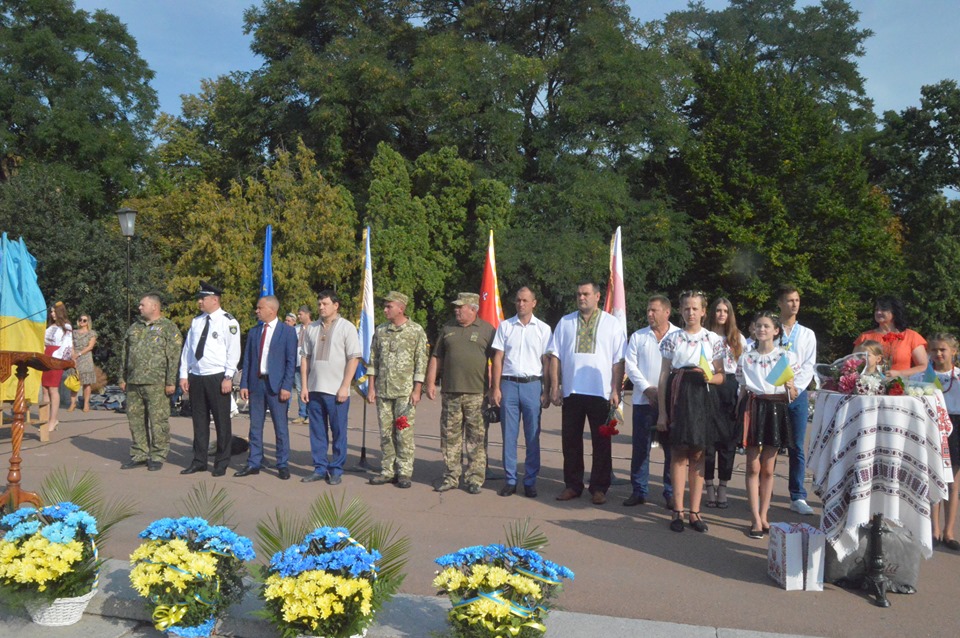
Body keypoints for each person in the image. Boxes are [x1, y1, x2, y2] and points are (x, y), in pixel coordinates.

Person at [548, 281, 626, 506]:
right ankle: (573, 485)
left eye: (586, 294)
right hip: (572, 391)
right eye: (578, 294)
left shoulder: (611, 324)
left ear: (597, 296)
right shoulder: (566, 322)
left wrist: (616, 389)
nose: (581, 298)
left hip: (601, 392)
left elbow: (618, 360)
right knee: (570, 440)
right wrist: (555, 386)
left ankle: (599, 488)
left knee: (601, 442)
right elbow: (555, 356)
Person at [656, 290, 724, 533]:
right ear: (680, 311)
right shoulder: (673, 339)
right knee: (678, 453)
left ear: (704, 311)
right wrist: (662, 412)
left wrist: (710, 377)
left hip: (703, 396)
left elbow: (721, 375)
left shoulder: (713, 339)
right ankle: (678, 510)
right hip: (678, 394)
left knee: (698, 453)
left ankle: (695, 511)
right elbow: (663, 375)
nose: (691, 312)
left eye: (695, 308)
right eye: (686, 308)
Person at [426, 292, 495, 494]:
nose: (456, 310)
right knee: (450, 438)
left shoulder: (487, 330)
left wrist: (495, 387)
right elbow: (436, 357)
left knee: (477, 438)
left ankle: (475, 478)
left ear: (473, 309)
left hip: (477, 394)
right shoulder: (448, 328)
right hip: (451, 393)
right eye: (455, 307)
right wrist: (430, 382)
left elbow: (497, 360)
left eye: (460, 307)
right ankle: (451, 476)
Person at [736, 311, 798, 538]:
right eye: (758, 326)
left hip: (775, 408)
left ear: (776, 331)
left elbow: (793, 393)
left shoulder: (786, 357)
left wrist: (791, 387)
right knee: (752, 466)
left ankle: (764, 515)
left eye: (766, 326)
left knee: (769, 468)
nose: (762, 329)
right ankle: (754, 517)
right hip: (753, 407)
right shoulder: (746, 357)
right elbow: (743, 388)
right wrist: (737, 413)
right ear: (753, 329)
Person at [489, 286, 552, 498]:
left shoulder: (543, 329)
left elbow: (546, 361)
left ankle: (530, 481)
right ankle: (510, 480)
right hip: (509, 384)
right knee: (509, 435)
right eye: (518, 300)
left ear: (534, 303)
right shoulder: (506, 326)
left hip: (532, 385)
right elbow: (498, 358)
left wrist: (547, 390)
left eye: (525, 300)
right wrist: (495, 388)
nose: (521, 304)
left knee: (532, 435)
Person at [178, 281, 241, 477]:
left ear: (214, 300)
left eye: (202, 298)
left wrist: (228, 376)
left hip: (217, 376)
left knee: (222, 421)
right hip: (197, 376)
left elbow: (233, 352)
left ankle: (221, 462)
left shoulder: (228, 322)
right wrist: (184, 374)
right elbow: (188, 350)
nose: (199, 302)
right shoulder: (197, 321)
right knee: (199, 420)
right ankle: (199, 460)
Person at [367, 291, 428, 489]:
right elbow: (373, 360)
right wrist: (371, 387)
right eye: (385, 306)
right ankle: (387, 470)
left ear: (401, 308)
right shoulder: (381, 330)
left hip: (405, 394)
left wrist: (417, 389)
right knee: (385, 433)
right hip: (383, 392)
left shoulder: (415, 330)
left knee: (403, 433)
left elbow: (421, 361)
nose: (385, 310)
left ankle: (404, 472)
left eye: (389, 306)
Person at [300, 290, 361, 485]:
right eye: (319, 304)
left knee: (338, 431)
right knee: (317, 431)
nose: (321, 307)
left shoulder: (347, 327)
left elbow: (354, 358)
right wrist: (304, 386)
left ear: (336, 305)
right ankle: (319, 468)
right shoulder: (311, 328)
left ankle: (336, 469)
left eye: (325, 304)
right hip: (314, 388)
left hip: (336, 391)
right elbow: (305, 358)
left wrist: (345, 386)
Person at [623, 294, 679, 508]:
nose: (649, 314)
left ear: (667, 312)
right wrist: (647, 389)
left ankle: (671, 492)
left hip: (671, 402)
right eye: (648, 310)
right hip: (643, 401)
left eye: (654, 310)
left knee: (671, 450)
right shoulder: (639, 336)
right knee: (640, 448)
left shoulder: (679, 336)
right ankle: (639, 490)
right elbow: (630, 366)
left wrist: (665, 393)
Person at [236, 296, 298, 480]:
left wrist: (287, 386)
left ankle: (282, 464)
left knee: (280, 427)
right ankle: (254, 462)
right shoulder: (254, 332)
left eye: (259, 308)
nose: (257, 311)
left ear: (272, 310)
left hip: (277, 386)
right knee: (255, 426)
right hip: (256, 384)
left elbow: (291, 361)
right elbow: (247, 360)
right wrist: (244, 384)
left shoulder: (287, 332)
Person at [119, 293, 183, 471]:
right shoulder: (134, 327)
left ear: (154, 307)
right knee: (135, 420)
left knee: (158, 421)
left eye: (142, 305)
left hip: (157, 383)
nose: (139, 308)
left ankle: (157, 455)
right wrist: (122, 377)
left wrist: (171, 381)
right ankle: (139, 453)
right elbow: (125, 354)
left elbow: (174, 357)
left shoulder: (168, 328)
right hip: (134, 381)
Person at [777, 284, 817, 516]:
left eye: (797, 300)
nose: (794, 304)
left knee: (797, 446)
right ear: (780, 303)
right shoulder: (772, 329)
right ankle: (764, 490)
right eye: (790, 300)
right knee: (770, 445)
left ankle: (798, 495)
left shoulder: (807, 334)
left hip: (797, 395)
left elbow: (809, 365)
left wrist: (795, 388)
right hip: (773, 393)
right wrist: (778, 387)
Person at [917, 333, 960, 551]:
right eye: (934, 350)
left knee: (952, 482)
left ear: (954, 351)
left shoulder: (958, 376)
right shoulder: (923, 376)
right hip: (933, 424)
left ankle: (948, 531)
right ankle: (933, 529)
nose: (939, 353)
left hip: (956, 424)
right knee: (934, 477)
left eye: (943, 349)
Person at [704, 297, 745, 509]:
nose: (721, 314)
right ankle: (709, 486)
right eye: (718, 310)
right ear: (712, 312)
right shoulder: (705, 335)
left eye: (725, 311)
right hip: (710, 385)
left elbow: (744, 370)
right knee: (708, 442)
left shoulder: (738, 338)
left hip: (731, 388)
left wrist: (740, 398)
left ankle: (723, 487)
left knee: (728, 443)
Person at [854, 295, 928, 379]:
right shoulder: (865, 337)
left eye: (883, 309)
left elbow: (923, 366)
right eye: (876, 309)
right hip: (870, 384)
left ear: (895, 312)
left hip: (902, 384)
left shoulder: (912, 336)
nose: (878, 312)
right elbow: (853, 364)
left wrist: (900, 373)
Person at [41, 302, 73, 432]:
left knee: (53, 389)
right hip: (46, 356)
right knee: (45, 389)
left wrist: (56, 359)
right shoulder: (50, 326)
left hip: (56, 357)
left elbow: (67, 344)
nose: (52, 314)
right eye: (51, 312)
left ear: (60, 312)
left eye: (54, 311)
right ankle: (44, 420)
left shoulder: (66, 326)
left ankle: (53, 420)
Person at [69, 314, 97, 412]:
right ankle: (72, 403)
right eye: (80, 319)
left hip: (86, 357)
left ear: (88, 322)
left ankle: (86, 404)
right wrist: (73, 355)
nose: (82, 321)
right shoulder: (74, 332)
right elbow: (71, 344)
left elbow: (90, 346)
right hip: (75, 357)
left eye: (84, 320)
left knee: (86, 382)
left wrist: (79, 354)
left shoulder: (91, 333)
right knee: (74, 381)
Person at [291, 304, 312, 424]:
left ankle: (310, 414)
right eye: (298, 314)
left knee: (310, 389)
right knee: (299, 389)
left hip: (310, 364)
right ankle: (302, 414)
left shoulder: (314, 327)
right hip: (297, 363)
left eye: (301, 314)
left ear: (308, 314)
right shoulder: (296, 329)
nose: (299, 316)